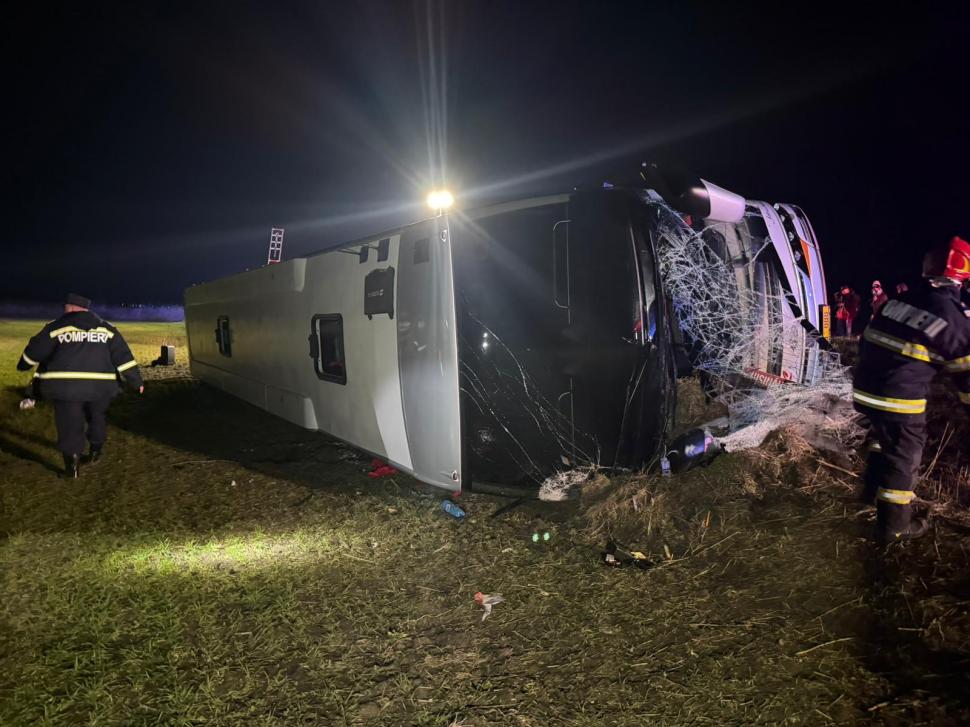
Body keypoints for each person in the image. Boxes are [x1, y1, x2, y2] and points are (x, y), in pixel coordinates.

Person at [853, 236, 970, 544]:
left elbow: (866, 340)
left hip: (864, 390)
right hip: (897, 398)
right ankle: (894, 528)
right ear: (962, 279)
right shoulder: (953, 319)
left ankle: (868, 492)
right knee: (904, 456)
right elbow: (966, 376)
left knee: (883, 437)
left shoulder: (897, 302)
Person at [16, 293, 144, 477]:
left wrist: (23, 365)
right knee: (97, 418)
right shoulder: (107, 329)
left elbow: (35, 350)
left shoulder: (56, 327)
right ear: (86, 309)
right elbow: (123, 356)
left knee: (69, 423)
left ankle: (72, 468)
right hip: (101, 388)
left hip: (66, 388)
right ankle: (95, 451)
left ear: (69, 307)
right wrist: (136, 381)